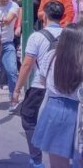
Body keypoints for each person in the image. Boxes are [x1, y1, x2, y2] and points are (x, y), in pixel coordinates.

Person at [12, 1, 64, 168]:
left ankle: (36, 160)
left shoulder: (37, 36)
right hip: (64, 88)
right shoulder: (71, 35)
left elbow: (27, 65)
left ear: (45, 16)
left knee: (28, 119)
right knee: (61, 124)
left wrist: (17, 89)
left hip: (40, 87)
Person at [31, 22, 83, 168]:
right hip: (79, 112)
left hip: (54, 111)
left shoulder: (51, 56)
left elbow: (42, 81)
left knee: (58, 164)